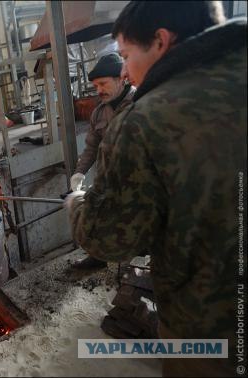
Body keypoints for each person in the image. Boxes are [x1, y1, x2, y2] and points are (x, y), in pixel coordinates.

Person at [65, 1, 245, 376]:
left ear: (161, 41)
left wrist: (79, 206)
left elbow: (109, 238)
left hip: (212, 327)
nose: (127, 71)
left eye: (127, 55)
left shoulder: (145, 118)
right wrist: (82, 175)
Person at [70, 53, 136, 269]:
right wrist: (79, 173)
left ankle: (134, 271)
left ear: (121, 79)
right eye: (96, 85)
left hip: (136, 181)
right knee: (100, 216)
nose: (99, 90)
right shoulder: (99, 113)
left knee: (134, 226)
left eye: (103, 83)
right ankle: (98, 257)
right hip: (106, 179)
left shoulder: (140, 104)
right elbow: (91, 147)